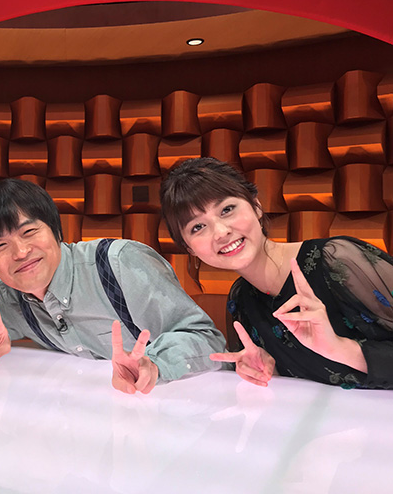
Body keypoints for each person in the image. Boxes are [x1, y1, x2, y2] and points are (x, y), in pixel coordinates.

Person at [0, 178, 225, 394]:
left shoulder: (120, 264)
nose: (20, 252)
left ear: (56, 230)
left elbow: (207, 339)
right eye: (0, 246)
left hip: (199, 404)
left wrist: (155, 364)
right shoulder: (6, 294)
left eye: (29, 231)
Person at [160, 156, 393, 389]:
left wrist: (339, 348)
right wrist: (269, 370)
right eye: (198, 227)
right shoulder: (241, 300)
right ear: (189, 249)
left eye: (227, 210)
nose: (221, 232)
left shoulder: (337, 259)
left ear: (256, 206)